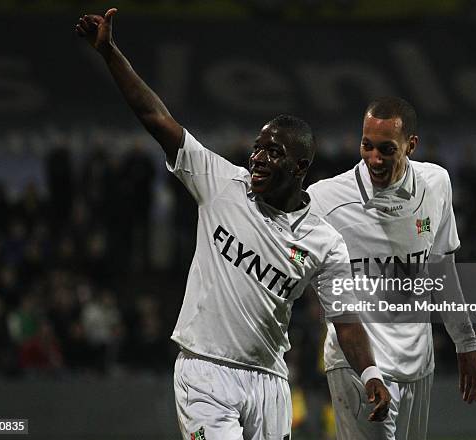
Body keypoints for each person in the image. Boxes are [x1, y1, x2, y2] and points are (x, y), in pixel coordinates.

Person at [75, 9, 390, 439]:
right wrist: (109, 53)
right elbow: (156, 118)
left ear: (299, 167)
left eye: (273, 152)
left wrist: (370, 372)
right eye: (257, 148)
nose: (258, 158)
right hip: (204, 370)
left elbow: (347, 321)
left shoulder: (325, 242)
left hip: (270, 381)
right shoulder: (221, 184)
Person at [307, 97, 476, 440]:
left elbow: (442, 270)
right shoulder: (325, 199)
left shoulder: (437, 184)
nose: (374, 158)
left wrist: (466, 343)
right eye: (367, 145)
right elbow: (290, 260)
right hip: (356, 364)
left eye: (386, 149)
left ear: (411, 146)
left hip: (418, 363)